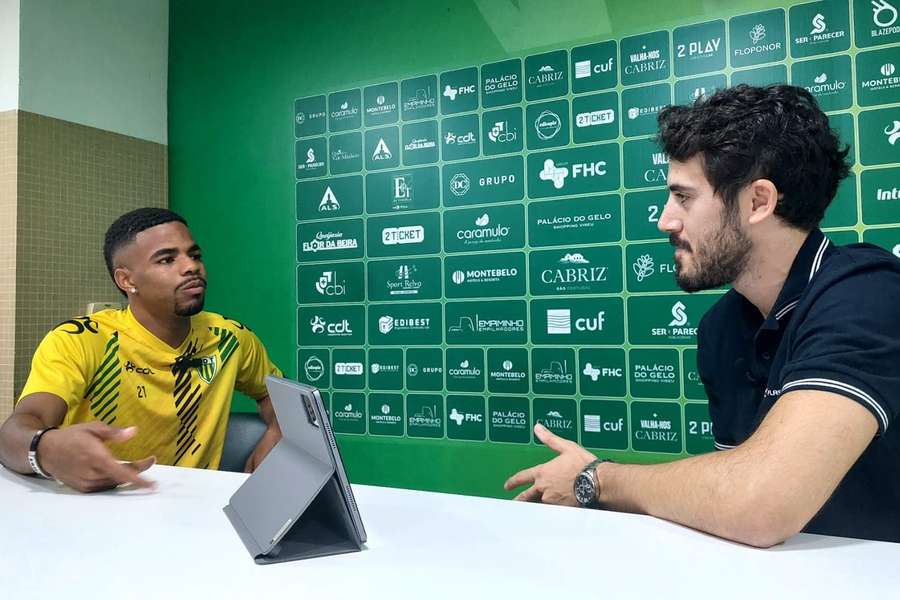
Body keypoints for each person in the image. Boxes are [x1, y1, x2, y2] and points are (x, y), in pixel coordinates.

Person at [505, 85, 900, 546]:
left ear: (758, 202)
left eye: (684, 198)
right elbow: (731, 494)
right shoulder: (721, 327)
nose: (665, 220)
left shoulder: (868, 293)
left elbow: (758, 504)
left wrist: (596, 479)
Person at [0, 208, 283, 492]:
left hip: (194, 509)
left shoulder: (230, 338)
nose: (191, 267)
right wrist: (46, 449)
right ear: (127, 280)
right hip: (100, 505)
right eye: (167, 259)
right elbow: (16, 430)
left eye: (194, 255)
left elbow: (277, 396)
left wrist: (277, 430)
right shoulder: (80, 340)